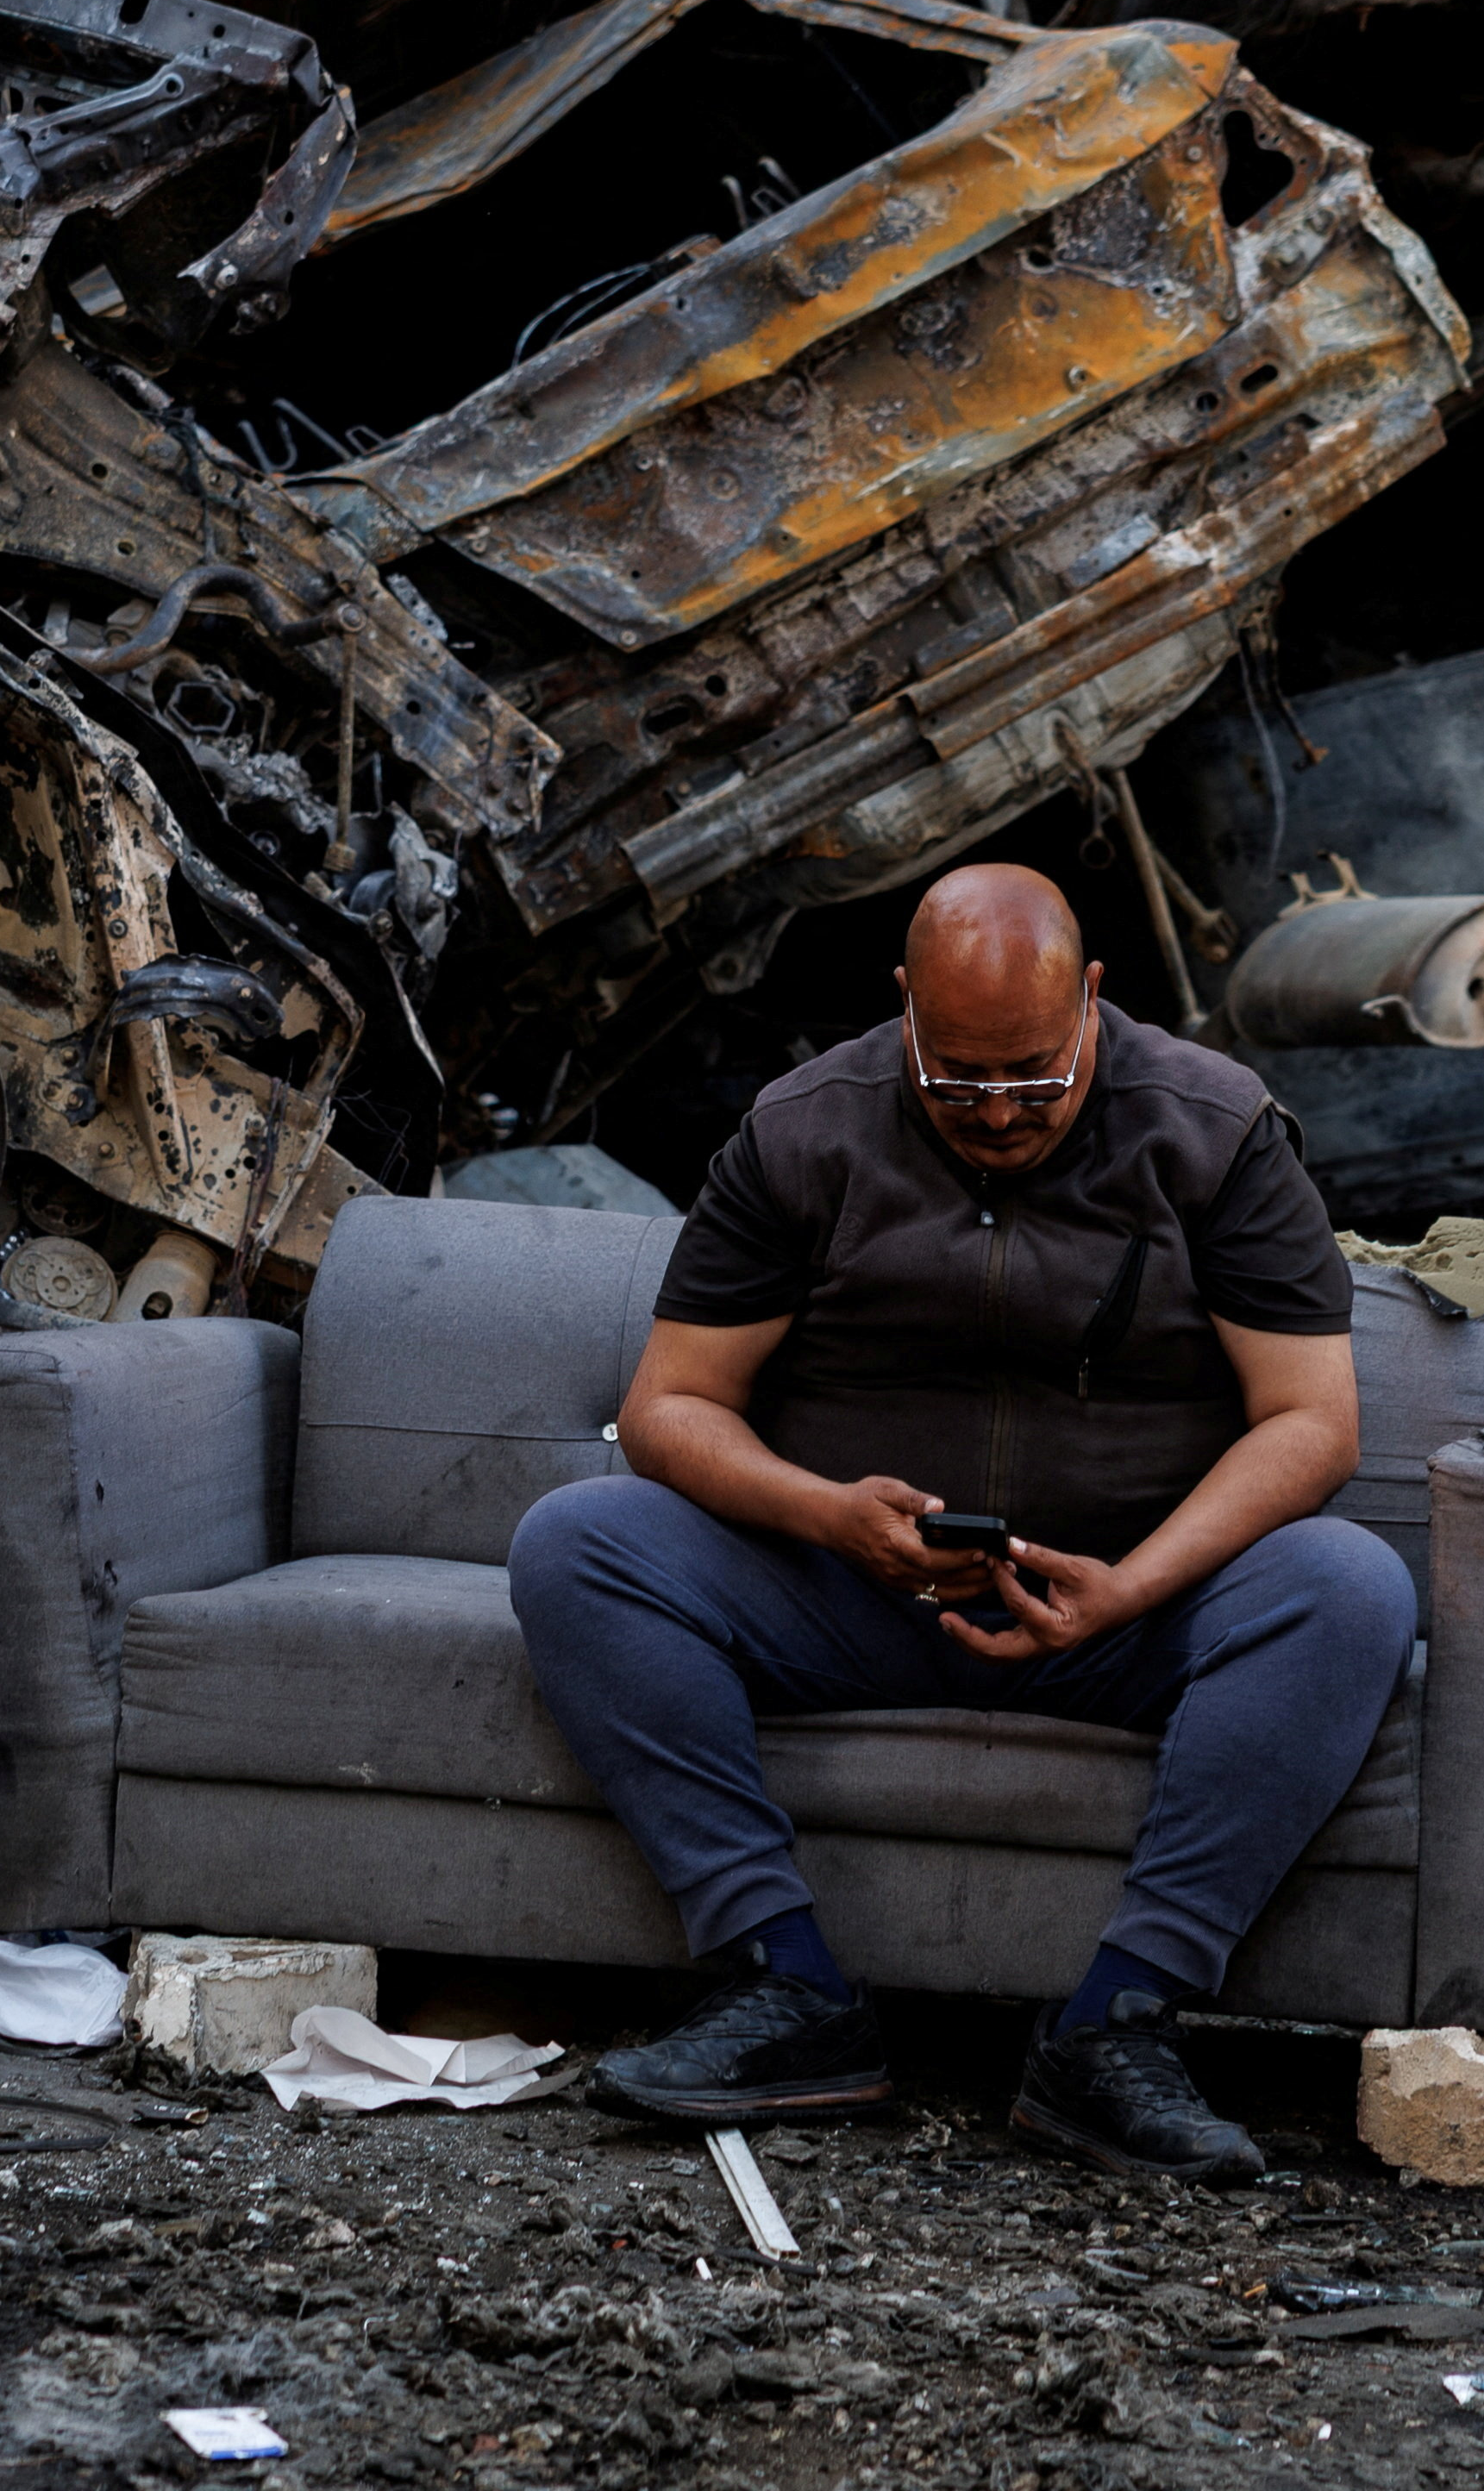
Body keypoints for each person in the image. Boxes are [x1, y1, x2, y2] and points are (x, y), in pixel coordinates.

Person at [503, 861, 1412, 2181]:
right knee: (578, 1543)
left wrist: (1136, 1583)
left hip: (1121, 1617)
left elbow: (1312, 1423)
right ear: (904, 1009)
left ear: (1093, 996)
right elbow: (670, 1407)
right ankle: (790, 1992)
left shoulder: (1216, 1131)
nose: (998, 1114)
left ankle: (1118, 2029)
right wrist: (826, 1515)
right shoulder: (801, 1131)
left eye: (1035, 1077)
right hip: (848, 1600)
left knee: (1349, 1587)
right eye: (959, 1077)